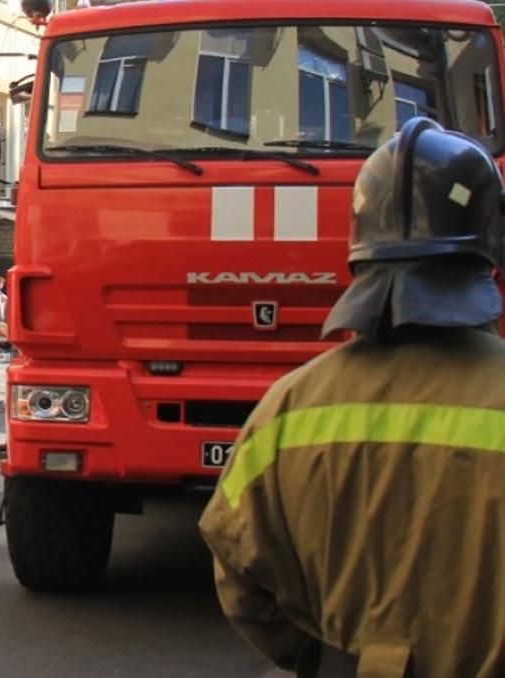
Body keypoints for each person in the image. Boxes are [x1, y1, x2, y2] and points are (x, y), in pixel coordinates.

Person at [198, 117, 505, 678]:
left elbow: (240, 574)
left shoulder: (285, 411)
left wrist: (326, 658)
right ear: (488, 254)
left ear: (361, 255)